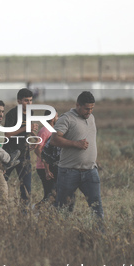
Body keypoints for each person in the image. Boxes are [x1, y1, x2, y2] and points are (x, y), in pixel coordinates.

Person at [51, 91, 104, 220]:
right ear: (78, 105)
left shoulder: (91, 118)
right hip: (69, 171)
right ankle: (58, 235)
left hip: (90, 170)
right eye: (87, 108)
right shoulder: (66, 118)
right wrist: (75, 144)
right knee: (63, 209)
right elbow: (54, 140)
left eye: (92, 108)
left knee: (97, 208)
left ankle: (100, 237)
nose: (89, 111)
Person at [2, 88, 39, 207]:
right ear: (19, 101)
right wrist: (26, 128)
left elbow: (27, 130)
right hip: (10, 154)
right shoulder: (12, 114)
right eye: (26, 101)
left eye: (30, 101)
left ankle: (24, 218)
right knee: (0, 185)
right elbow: (7, 135)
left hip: (24, 154)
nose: (29, 103)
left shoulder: (30, 113)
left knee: (26, 188)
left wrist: (35, 138)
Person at [33, 110, 60, 202]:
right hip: (43, 168)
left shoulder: (53, 130)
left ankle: (44, 214)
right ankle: (36, 210)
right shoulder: (45, 131)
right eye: (57, 116)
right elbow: (37, 149)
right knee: (50, 195)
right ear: (52, 118)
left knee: (53, 195)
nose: (58, 118)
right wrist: (46, 166)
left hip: (51, 167)